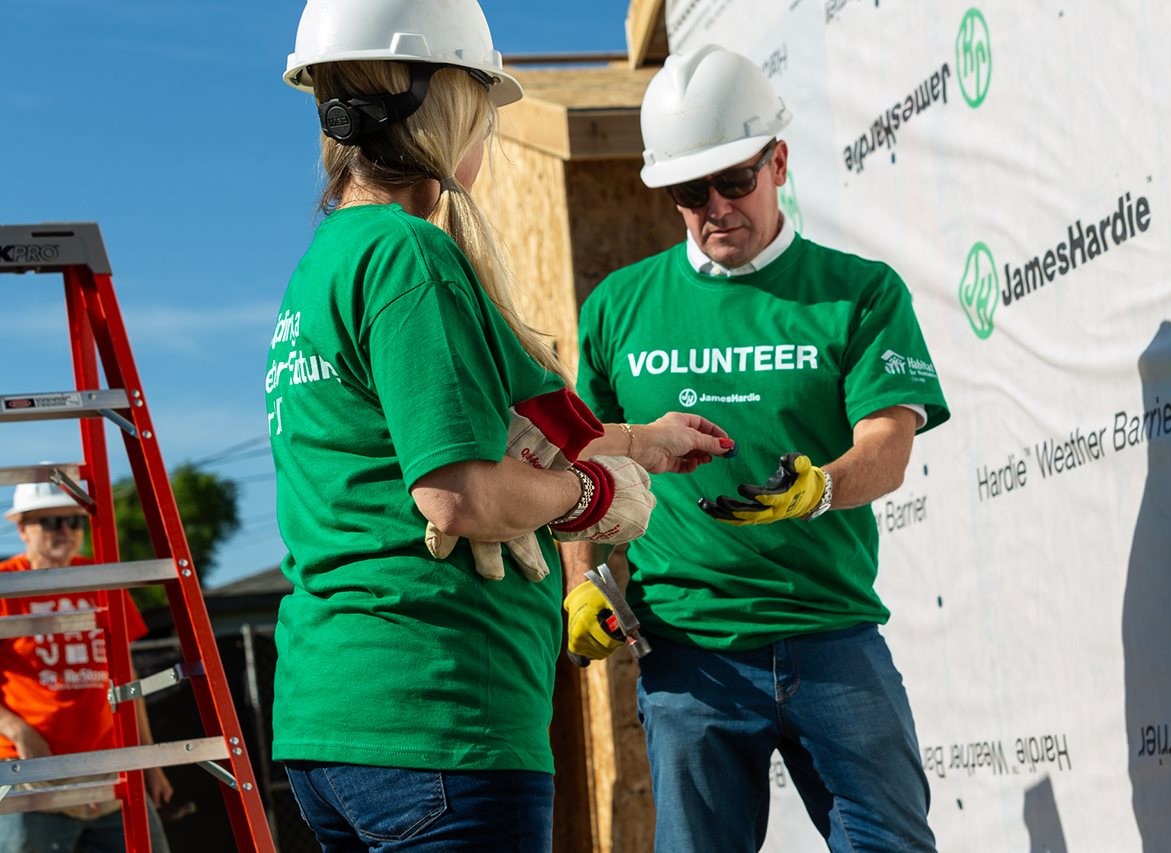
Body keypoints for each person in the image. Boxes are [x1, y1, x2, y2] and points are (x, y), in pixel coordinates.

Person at [269, 2, 729, 849]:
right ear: (443, 103)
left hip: (336, 718)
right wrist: (591, 495)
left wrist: (642, 440)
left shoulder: (327, 261)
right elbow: (457, 493)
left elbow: (518, 422)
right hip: (440, 711)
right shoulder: (411, 256)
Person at [567, 44, 951, 852]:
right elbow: (582, 468)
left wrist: (819, 488)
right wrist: (583, 583)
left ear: (777, 160)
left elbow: (886, 444)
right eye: (688, 191)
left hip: (833, 635)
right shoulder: (616, 309)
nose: (715, 207)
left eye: (734, 180)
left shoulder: (858, 291)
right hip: (689, 654)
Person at [0, 481, 173, 853]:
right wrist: (18, 730)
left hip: (110, 767)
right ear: (22, 529)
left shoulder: (100, 580)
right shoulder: (5, 587)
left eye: (74, 522)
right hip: (30, 772)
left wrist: (149, 761)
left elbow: (127, 678)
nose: (66, 531)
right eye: (52, 522)